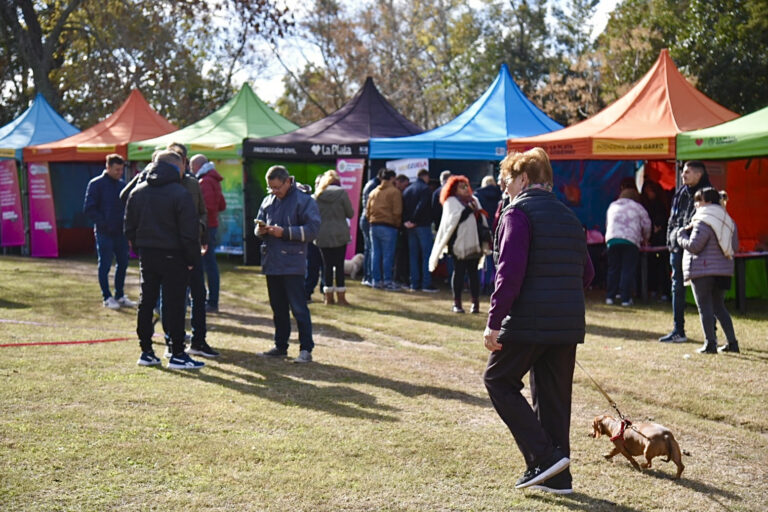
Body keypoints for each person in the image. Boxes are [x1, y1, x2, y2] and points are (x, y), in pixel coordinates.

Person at [483, 147, 594, 495]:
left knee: (498, 380)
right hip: (566, 321)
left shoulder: (518, 212)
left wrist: (494, 320)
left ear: (523, 179)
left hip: (530, 318)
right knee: (553, 399)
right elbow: (588, 273)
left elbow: (509, 272)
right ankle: (558, 479)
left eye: (508, 179)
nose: (504, 186)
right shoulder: (569, 215)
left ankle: (544, 457)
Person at [124, 150, 204, 369]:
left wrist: (140, 246)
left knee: (147, 301)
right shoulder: (179, 193)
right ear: (177, 167)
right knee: (174, 304)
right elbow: (189, 232)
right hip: (174, 255)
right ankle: (177, 352)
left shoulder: (138, 191)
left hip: (148, 254)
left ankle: (146, 351)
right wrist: (191, 259)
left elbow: (128, 226)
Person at [255, 165, 321, 363]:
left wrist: (284, 232)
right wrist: (261, 230)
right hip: (272, 261)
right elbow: (257, 224)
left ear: (287, 181)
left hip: (293, 263)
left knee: (298, 307)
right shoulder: (268, 200)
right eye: (271, 188)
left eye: (277, 187)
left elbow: (313, 230)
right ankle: (280, 346)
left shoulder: (304, 200)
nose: (274, 191)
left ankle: (306, 349)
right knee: (278, 307)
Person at [676, 187, 740, 354]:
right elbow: (734, 247)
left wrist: (681, 236)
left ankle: (710, 344)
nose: (696, 204)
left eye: (698, 200)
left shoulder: (703, 220)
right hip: (724, 271)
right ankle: (732, 343)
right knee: (720, 307)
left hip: (703, 270)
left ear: (708, 202)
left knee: (705, 307)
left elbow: (694, 246)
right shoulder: (728, 220)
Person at [660, 161, 711, 343]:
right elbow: (672, 219)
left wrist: (685, 235)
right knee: (677, 286)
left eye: (687, 172)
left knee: (705, 289)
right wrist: (671, 241)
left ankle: (710, 334)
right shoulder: (681, 192)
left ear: (699, 174)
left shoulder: (707, 194)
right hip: (677, 247)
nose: (683, 175)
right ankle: (678, 330)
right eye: (683, 172)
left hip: (698, 247)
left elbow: (701, 221)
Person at [83, 153, 136, 310]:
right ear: (108, 167)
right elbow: (89, 208)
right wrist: (103, 223)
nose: (119, 173)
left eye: (121, 170)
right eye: (117, 170)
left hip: (121, 233)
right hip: (104, 232)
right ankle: (106, 296)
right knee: (105, 264)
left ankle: (119, 295)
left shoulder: (122, 185)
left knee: (123, 263)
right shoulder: (96, 184)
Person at [429, 175, 488, 314]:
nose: (465, 189)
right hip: (458, 244)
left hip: (475, 242)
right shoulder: (451, 201)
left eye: (466, 185)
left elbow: (482, 219)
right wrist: (468, 210)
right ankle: (457, 303)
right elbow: (451, 221)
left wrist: (477, 213)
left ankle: (475, 303)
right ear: (454, 188)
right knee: (459, 273)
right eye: (461, 186)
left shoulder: (475, 200)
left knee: (474, 274)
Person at [191, 154, 227, 313]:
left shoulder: (204, 181)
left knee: (207, 265)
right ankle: (211, 300)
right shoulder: (213, 180)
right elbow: (222, 205)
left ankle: (211, 301)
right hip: (212, 226)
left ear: (197, 166)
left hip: (206, 228)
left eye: (192, 167)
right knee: (209, 264)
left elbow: (209, 207)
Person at [604, 187, 651, 306]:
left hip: (612, 239)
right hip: (630, 241)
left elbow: (607, 223)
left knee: (613, 269)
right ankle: (625, 299)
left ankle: (610, 296)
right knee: (627, 269)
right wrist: (646, 238)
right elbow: (646, 225)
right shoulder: (638, 207)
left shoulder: (613, 206)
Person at [314, 169, 354, 305]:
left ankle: (328, 297)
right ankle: (341, 297)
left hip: (322, 234)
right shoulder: (342, 193)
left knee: (327, 266)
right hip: (340, 234)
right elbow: (350, 213)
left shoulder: (317, 195)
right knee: (339, 266)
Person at [366, 169, 402, 291]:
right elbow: (397, 211)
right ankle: (387, 281)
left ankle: (376, 280)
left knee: (375, 254)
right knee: (388, 255)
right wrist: (397, 224)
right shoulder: (394, 192)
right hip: (389, 226)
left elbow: (368, 211)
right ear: (392, 178)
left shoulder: (373, 192)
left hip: (374, 225)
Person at [402, 168, 436, 292]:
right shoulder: (426, 189)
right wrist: (415, 220)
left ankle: (414, 283)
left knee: (413, 255)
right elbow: (422, 206)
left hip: (410, 227)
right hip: (422, 225)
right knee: (426, 255)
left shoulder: (407, 189)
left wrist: (407, 221)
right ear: (425, 176)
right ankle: (426, 283)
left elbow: (404, 207)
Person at [475, 175, 503, 294]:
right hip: (496, 230)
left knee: (480, 258)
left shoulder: (477, 196)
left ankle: (479, 284)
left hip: (481, 229)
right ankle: (490, 284)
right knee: (493, 259)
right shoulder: (500, 196)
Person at [360, 168, 385, 286]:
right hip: (368, 219)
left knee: (369, 248)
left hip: (366, 218)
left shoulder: (370, 184)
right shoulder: (373, 186)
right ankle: (369, 276)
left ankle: (368, 276)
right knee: (371, 249)